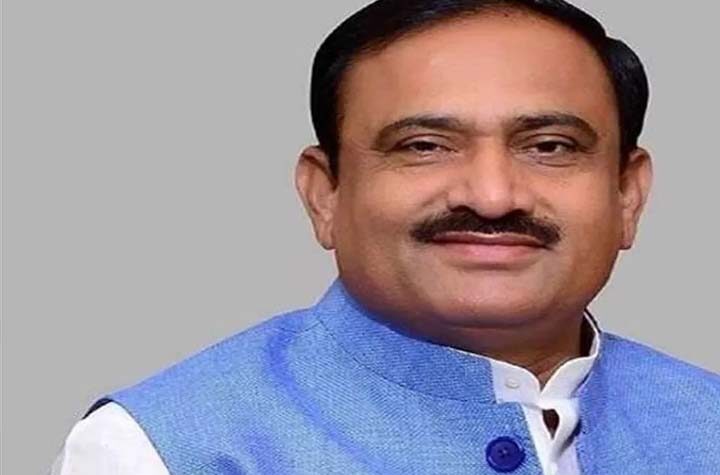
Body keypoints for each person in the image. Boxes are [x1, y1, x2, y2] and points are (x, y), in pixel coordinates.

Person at [52, 0, 720, 474]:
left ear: (628, 194)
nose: (492, 195)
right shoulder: (159, 450)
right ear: (325, 193)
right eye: (424, 145)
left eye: (550, 146)